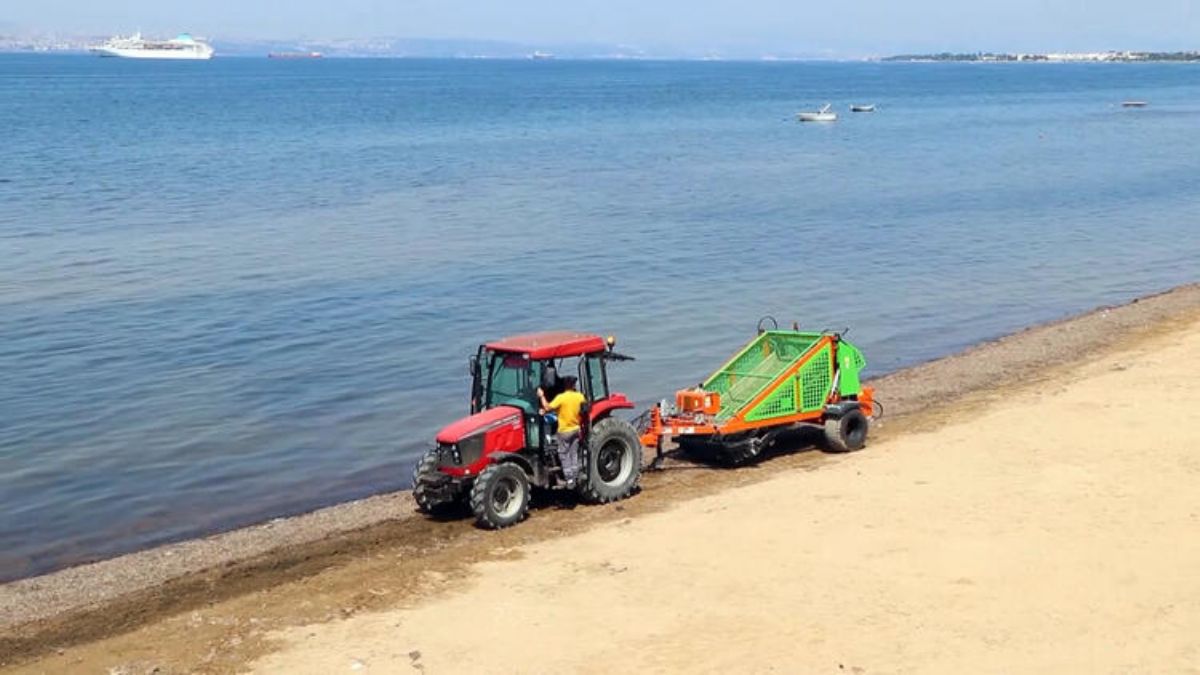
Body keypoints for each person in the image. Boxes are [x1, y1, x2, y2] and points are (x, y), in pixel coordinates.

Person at [538, 376, 585, 488]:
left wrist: (541, 396)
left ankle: (569, 479)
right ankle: (576, 475)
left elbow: (547, 407)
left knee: (563, 454)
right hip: (576, 429)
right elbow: (584, 408)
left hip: (564, 431)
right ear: (574, 385)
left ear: (564, 386)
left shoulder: (561, 398)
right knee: (574, 453)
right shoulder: (580, 396)